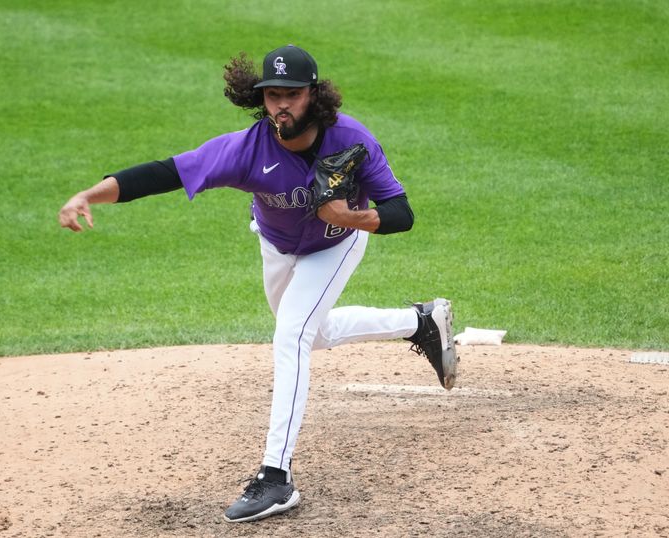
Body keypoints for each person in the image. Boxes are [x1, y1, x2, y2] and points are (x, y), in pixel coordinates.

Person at [58, 44, 459, 523]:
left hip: (336, 244)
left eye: (290, 94)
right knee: (316, 333)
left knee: (291, 333)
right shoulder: (245, 150)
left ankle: (276, 476)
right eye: (272, 95)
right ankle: (420, 323)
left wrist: (350, 217)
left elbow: (402, 213)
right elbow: (168, 172)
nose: (280, 105)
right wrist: (90, 194)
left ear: (313, 94)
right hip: (277, 246)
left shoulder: (351, 138)